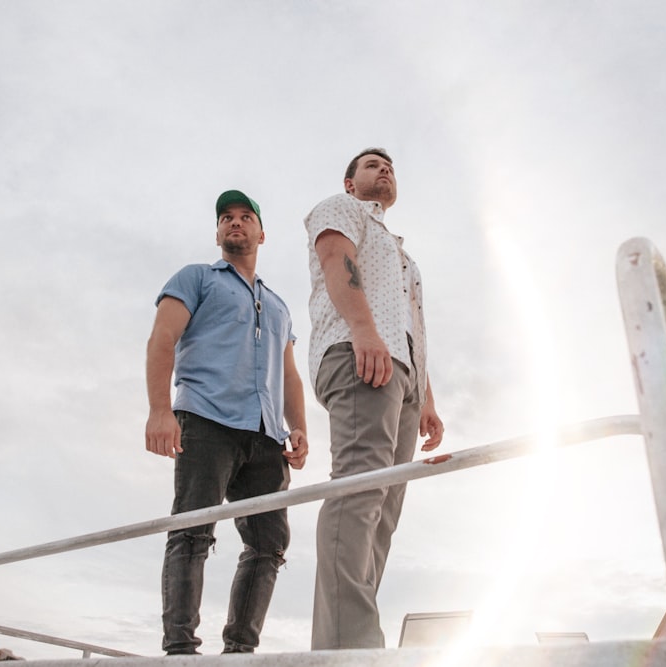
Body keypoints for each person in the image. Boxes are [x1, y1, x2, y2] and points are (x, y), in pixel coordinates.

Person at [145, 189, 308, 655]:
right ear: (218, 232)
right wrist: (160, 409)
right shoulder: (196, 278)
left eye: (244, 217)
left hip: (264, 435)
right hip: (205, 420)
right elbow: (163, 338)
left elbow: (289, 374)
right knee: (192, 530)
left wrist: (299, 427)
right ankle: (180, 650)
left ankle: (240, 653)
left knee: (270, 543)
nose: (235, 223)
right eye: (226, 218)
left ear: (261, 232)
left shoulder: (277, 305)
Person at [305, 148, 444, 649]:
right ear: (349, 183)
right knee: (360, 487)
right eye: (371, 165)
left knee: (384, 510)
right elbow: (334, 260)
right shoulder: (339, 209)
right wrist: (363, 330)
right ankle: (349, 650)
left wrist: (426, 397)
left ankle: (351, 635)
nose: (384, 169)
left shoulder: (405, 256)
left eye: (389, 167)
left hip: (405, 376)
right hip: (359, 352)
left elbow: (413, 326)